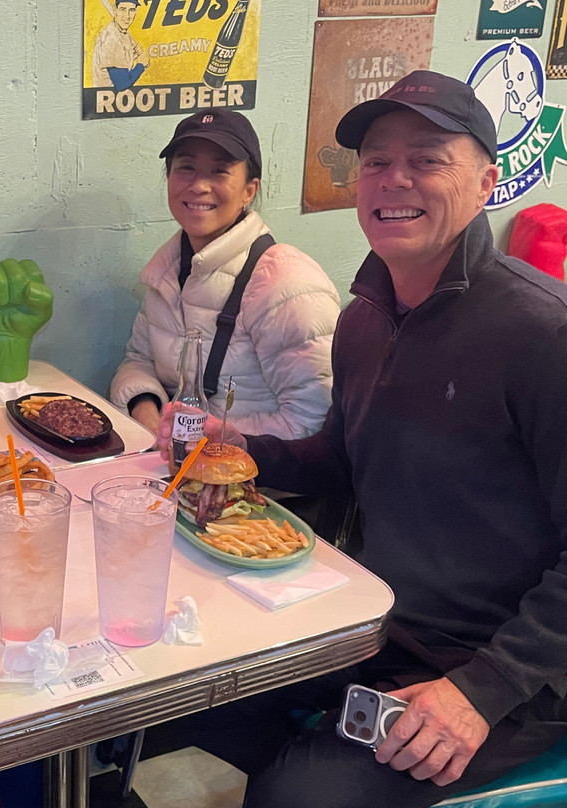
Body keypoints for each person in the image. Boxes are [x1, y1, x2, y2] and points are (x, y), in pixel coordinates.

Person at [144, 70, 567, 808]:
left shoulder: (542, 333)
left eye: (427, 158)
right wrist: (235, 450)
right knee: (175, 698)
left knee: (295, 796)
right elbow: (343, 462)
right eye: (377, 160)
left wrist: (484, 689)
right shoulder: (365, 319)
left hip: (501, 669)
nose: (394, 178)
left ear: (486, 183)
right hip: (374, 621)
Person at [110, 108, 340, 443]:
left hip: (253, 474)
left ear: (249, 190)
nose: (199, 186)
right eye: (186, 167)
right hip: (172, 465)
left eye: (219, 171)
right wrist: (146, 410)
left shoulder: (287, 282)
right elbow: (138, 360)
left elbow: (315, 421)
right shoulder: (166, 272)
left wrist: (208, 444)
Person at [91, 0, 150, 90]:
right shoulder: (112, 39)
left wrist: (134, 54)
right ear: (115, 10)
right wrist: (141, 65)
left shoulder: (121, 33)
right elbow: (122, 84)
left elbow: (122, 59)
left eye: (132, 10)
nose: (127, 16)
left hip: (116, 96)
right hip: (107, 96)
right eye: (123, 9)